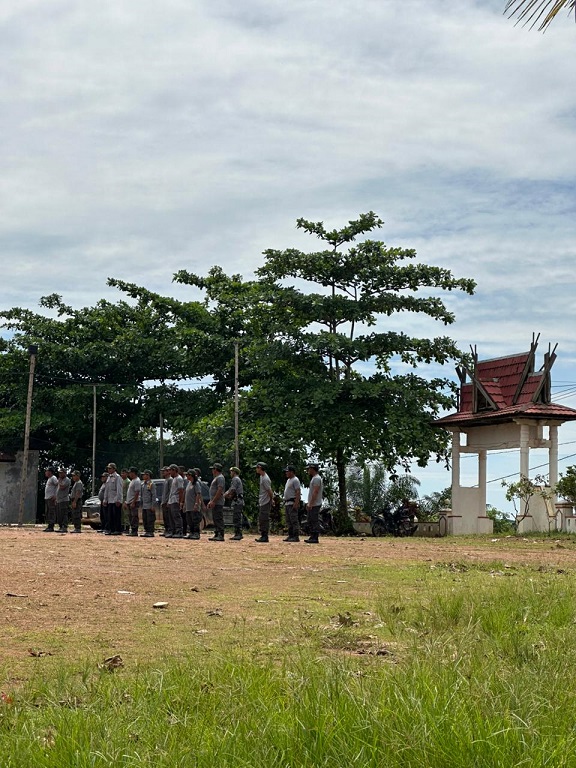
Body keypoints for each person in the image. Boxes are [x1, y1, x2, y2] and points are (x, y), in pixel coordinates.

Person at [254, 462, 273, 543]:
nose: (256, 469)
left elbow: (269, 491)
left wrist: (272, 500)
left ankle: (265, 536)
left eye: (257, 467)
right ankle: (263, 535)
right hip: (262, 500)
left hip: (265, 501)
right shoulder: (262, 477)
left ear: (260, 468)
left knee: (264, 518)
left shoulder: (265, 478)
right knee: (262, 518)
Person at [305, 463, 323, 544]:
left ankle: (315, 537)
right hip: (313, 503)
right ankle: (312, 535)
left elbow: (315, 491)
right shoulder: (314, 478)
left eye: (309, 469)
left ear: (312, 469)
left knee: (314, 520)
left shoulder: (316, 479)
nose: (308, 470)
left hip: (315, 504)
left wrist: (311, 503)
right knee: (310, 519)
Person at [104, 462, 124, 535]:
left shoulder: (118, 477)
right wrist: (105, 499)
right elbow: (107, 489)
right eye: (108, 468)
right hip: (110, 500)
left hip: (115, 500)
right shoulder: (109, 477)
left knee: (116, 516)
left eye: (110, 468)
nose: (108, 470)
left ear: (114, 469)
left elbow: (119, 489)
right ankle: (111, 529)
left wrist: (118, 499)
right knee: (110, 516)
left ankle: (118, 530)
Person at [283, 465, 301, 542]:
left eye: (287, 471)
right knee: (288, 520)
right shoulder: (288, 480)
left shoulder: (295, 480)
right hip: (287, 502)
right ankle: (290, 535)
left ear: (292, 472)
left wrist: (296, 502)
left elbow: (298, 491)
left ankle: (296, 536)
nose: (286, 473)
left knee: (294, 520)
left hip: (292, 502)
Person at [207, 463, 225, 542]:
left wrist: (214, 501)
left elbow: (220, 490)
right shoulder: (217, 478)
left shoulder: (220, 478)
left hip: (218, 502)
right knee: (215, 518)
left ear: (216, 469)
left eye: (213, 469)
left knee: (218, 518)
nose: (212, 471)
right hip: (214, 502)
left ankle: (220, 534)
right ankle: (217, 533)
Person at [226, 466, 244, 541]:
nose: (230, 473)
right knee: (236, 517)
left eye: (231, 471)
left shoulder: (235, 479)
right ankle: (237, 533)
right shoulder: (236, 479)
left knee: (236, 518)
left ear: (234, 472)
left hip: (237, 501)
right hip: (237, 501)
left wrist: (226, 495)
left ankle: (238, 534)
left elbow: (232, 489)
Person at [167, 463, 184, 538]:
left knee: (176, 516)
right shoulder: (174, 479)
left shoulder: (179, 479)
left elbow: (181, 491)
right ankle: (173, 531)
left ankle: (179, 531)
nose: (169, 472)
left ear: (174, 470)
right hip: (172, 500)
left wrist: (180, 502)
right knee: (171, 517)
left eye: (170, 470)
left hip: (176, 500)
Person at [184, 469, 203, 540]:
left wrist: (196, 503)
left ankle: (196, 533)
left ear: (191, 475)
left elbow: (198, 494)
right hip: (188, 506)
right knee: (189, 520)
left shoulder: (196, 484)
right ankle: (191, 533)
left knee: (195, 520)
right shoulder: (189, 483)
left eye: (188, 475)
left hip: (193, 506)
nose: (186, 476)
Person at [140, 470, 156, 537]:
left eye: (144, 475)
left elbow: (153, 495)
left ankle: (150, 531)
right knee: (145, 519)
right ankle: (146, 531)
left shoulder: (151, 484)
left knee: (150, 519)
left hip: (149, 505)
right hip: (144, 505)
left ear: (148, 475)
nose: (143, 476)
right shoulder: (143, 484)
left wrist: (153, 505)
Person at [126, 467, 141, 536]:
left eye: (130, 473)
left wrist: (133, 502)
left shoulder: (137, 481)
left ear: (133, 473)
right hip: (129, 501)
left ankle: (135, 531)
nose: (129, 474)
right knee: (130, 516)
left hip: (134, 501)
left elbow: (137, 492)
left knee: (134, 516)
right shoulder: (132, 480)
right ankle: (132, 529)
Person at [43, 466, 58, 532]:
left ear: (50, 472)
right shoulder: (49, 479)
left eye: (47, 471)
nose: (45, 472)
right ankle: (49, 525)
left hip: (51, 498)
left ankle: (51, 526)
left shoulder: (53, 478)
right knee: (48, 512)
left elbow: (58, 486)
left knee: (51, 512)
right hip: (47, 498)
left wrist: (55, 495)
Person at [55, 468, 71, 533]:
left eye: (61, 473)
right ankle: (61, 526)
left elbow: (62, 487)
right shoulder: (60, 480)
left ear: (65, 473)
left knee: (64, 514)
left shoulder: (67, 480)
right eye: (59, 473)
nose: (60, 474)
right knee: (59, 514)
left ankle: (64, 527)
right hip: (59, 500)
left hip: (64, 499)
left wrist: (59, 482)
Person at [160, 466, 173, 536]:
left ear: (168, 472)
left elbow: (171, 491)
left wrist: (168, 501)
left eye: (164, 471)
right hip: (164, 501)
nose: (163, 472)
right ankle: (166, 529)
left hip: (167, 501)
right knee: (165, 517)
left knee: (168, 517)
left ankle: (169, 530)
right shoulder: (165, 480)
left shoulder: (170, 480)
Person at [120, 468, 130, 532]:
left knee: (126, 514)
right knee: (122, 515)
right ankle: (122, 527)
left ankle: (127, 527)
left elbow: (128, 492)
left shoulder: (128, 481)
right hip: (121, 499)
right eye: (122, 473)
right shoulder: (121, 481)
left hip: (125, 499)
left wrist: (126, 501)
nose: (122, 475)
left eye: (124, 473)